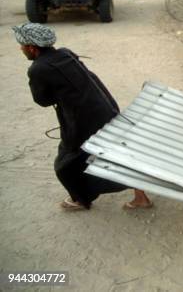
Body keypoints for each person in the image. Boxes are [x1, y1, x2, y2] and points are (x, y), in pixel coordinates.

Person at [13, 23, 153, 211]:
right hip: (105, 108)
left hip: (84, 120)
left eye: (22, 45)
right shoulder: (65, 53)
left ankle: (80, 199)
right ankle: (141, 197)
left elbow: (43, 100)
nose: (21, 49)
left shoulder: (38, 69)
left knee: (65, 165)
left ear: (32, 47)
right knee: (118, 154)